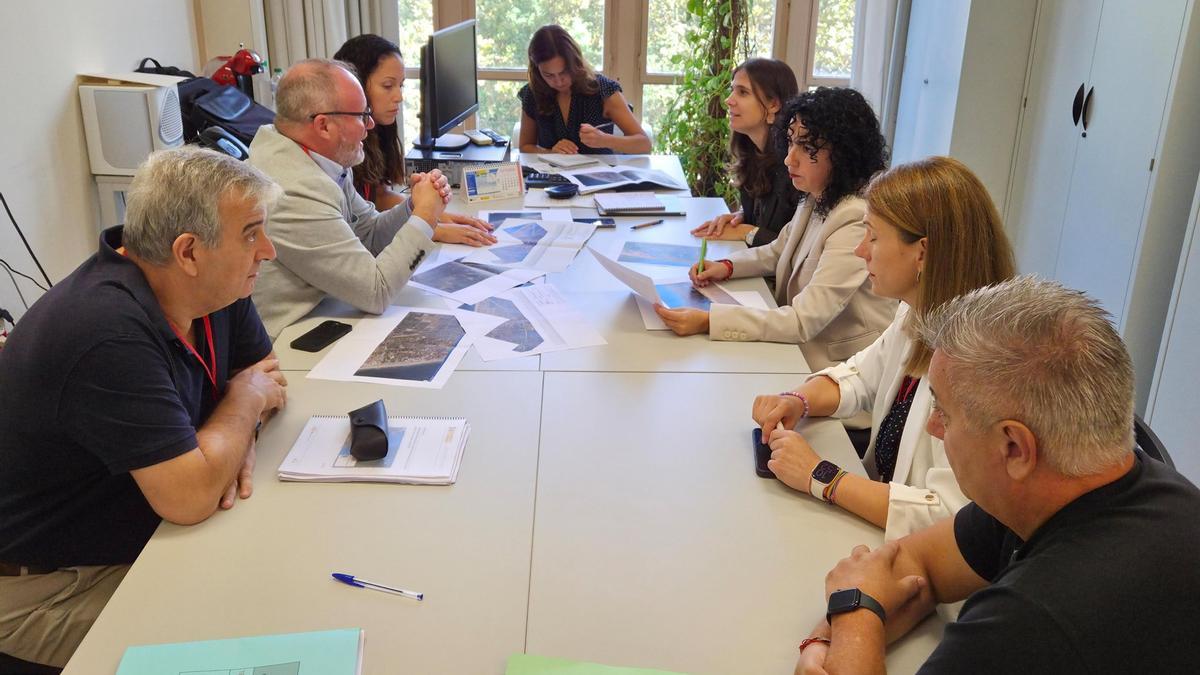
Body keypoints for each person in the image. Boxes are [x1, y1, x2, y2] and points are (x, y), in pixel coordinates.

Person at [795, 276, 1200, 675]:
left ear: (1014, 448)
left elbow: (870, 589)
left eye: (945, 414)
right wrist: (836, 636)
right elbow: (918, 569)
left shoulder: (1035, 620)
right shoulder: (1074, 487)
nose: (933, 427)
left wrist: (853, 610)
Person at [0, 147, 287, 668]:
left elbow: (269, 376)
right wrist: (241, 408)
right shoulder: (104, 331)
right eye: (251, 233)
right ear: (188, 252)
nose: (267, 251)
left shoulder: (217, 291)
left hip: (136, 536)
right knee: (256, 624)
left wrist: (231, 436)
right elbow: (190, 496)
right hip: (47, 586)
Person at [752, 156, 1015, 541]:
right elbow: (860, 376)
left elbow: (947, 514)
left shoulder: (985, 363)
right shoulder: (918, 311)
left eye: (873, 237)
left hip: (932, 578)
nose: (861, 251)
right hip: (877, 529)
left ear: (921, 253)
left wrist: (821, 476)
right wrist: (797, 400)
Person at [655, 87, 895, 374]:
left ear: (844, 154)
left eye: (807, 149)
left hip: (835, 368)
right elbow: (779, 249)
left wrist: (709, 321)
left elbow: (802, 321)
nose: (788, 159)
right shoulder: (818, 194)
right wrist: (727, 266)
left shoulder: (854, 218)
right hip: (795, 350)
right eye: (791, 143)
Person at [249, 58, 449, 338]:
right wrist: (425, 216)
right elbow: (376, 292)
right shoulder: (292, 189)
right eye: (360, 116)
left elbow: (368, 234)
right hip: (290, 340)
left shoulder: (316, 156)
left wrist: (412, 206)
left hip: (326, 312)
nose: (369, 125)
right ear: (323, 126)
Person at [331, 34, 496, 247]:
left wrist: (435, 215)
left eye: (401, 85)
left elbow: (378, 195)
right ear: (357, 85)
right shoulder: (342, 148)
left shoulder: (379, 129)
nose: (399, 96)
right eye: (388, 86)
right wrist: (434, 228)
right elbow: (358, 229)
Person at [691, 58, 801, 247]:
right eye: (732, 90)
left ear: (773, 104)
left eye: (742, 92)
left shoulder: (794, 164)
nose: (728, 100)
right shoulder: (753, 154)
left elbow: (796, 248)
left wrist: (747, 231)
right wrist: (741, 218)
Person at [518, 24, 651, 155]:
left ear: (575, 63)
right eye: (548, 75)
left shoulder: (603, 89)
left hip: (598, 174)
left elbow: (644, 144)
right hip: (551, 175)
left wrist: (605, 140)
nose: (558, 81)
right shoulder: (533, 92)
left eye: (564, 72)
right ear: (537, 69)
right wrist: (550, 152)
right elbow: (525, 146)